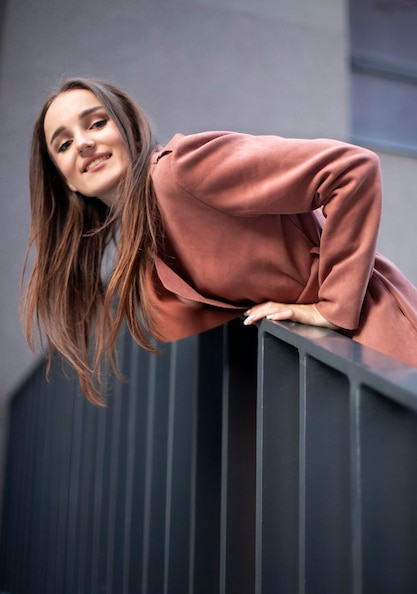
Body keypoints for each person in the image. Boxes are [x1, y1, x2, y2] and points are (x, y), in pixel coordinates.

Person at [21, 77, 417, 405]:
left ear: (129, 130)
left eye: (95, 124)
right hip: (325, 375)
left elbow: (352, 168)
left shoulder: (181, 170)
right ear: (68, 180)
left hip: (378, 345)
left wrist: (332, 306)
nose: (84, 143)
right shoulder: (144, 253)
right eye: (64, 144)